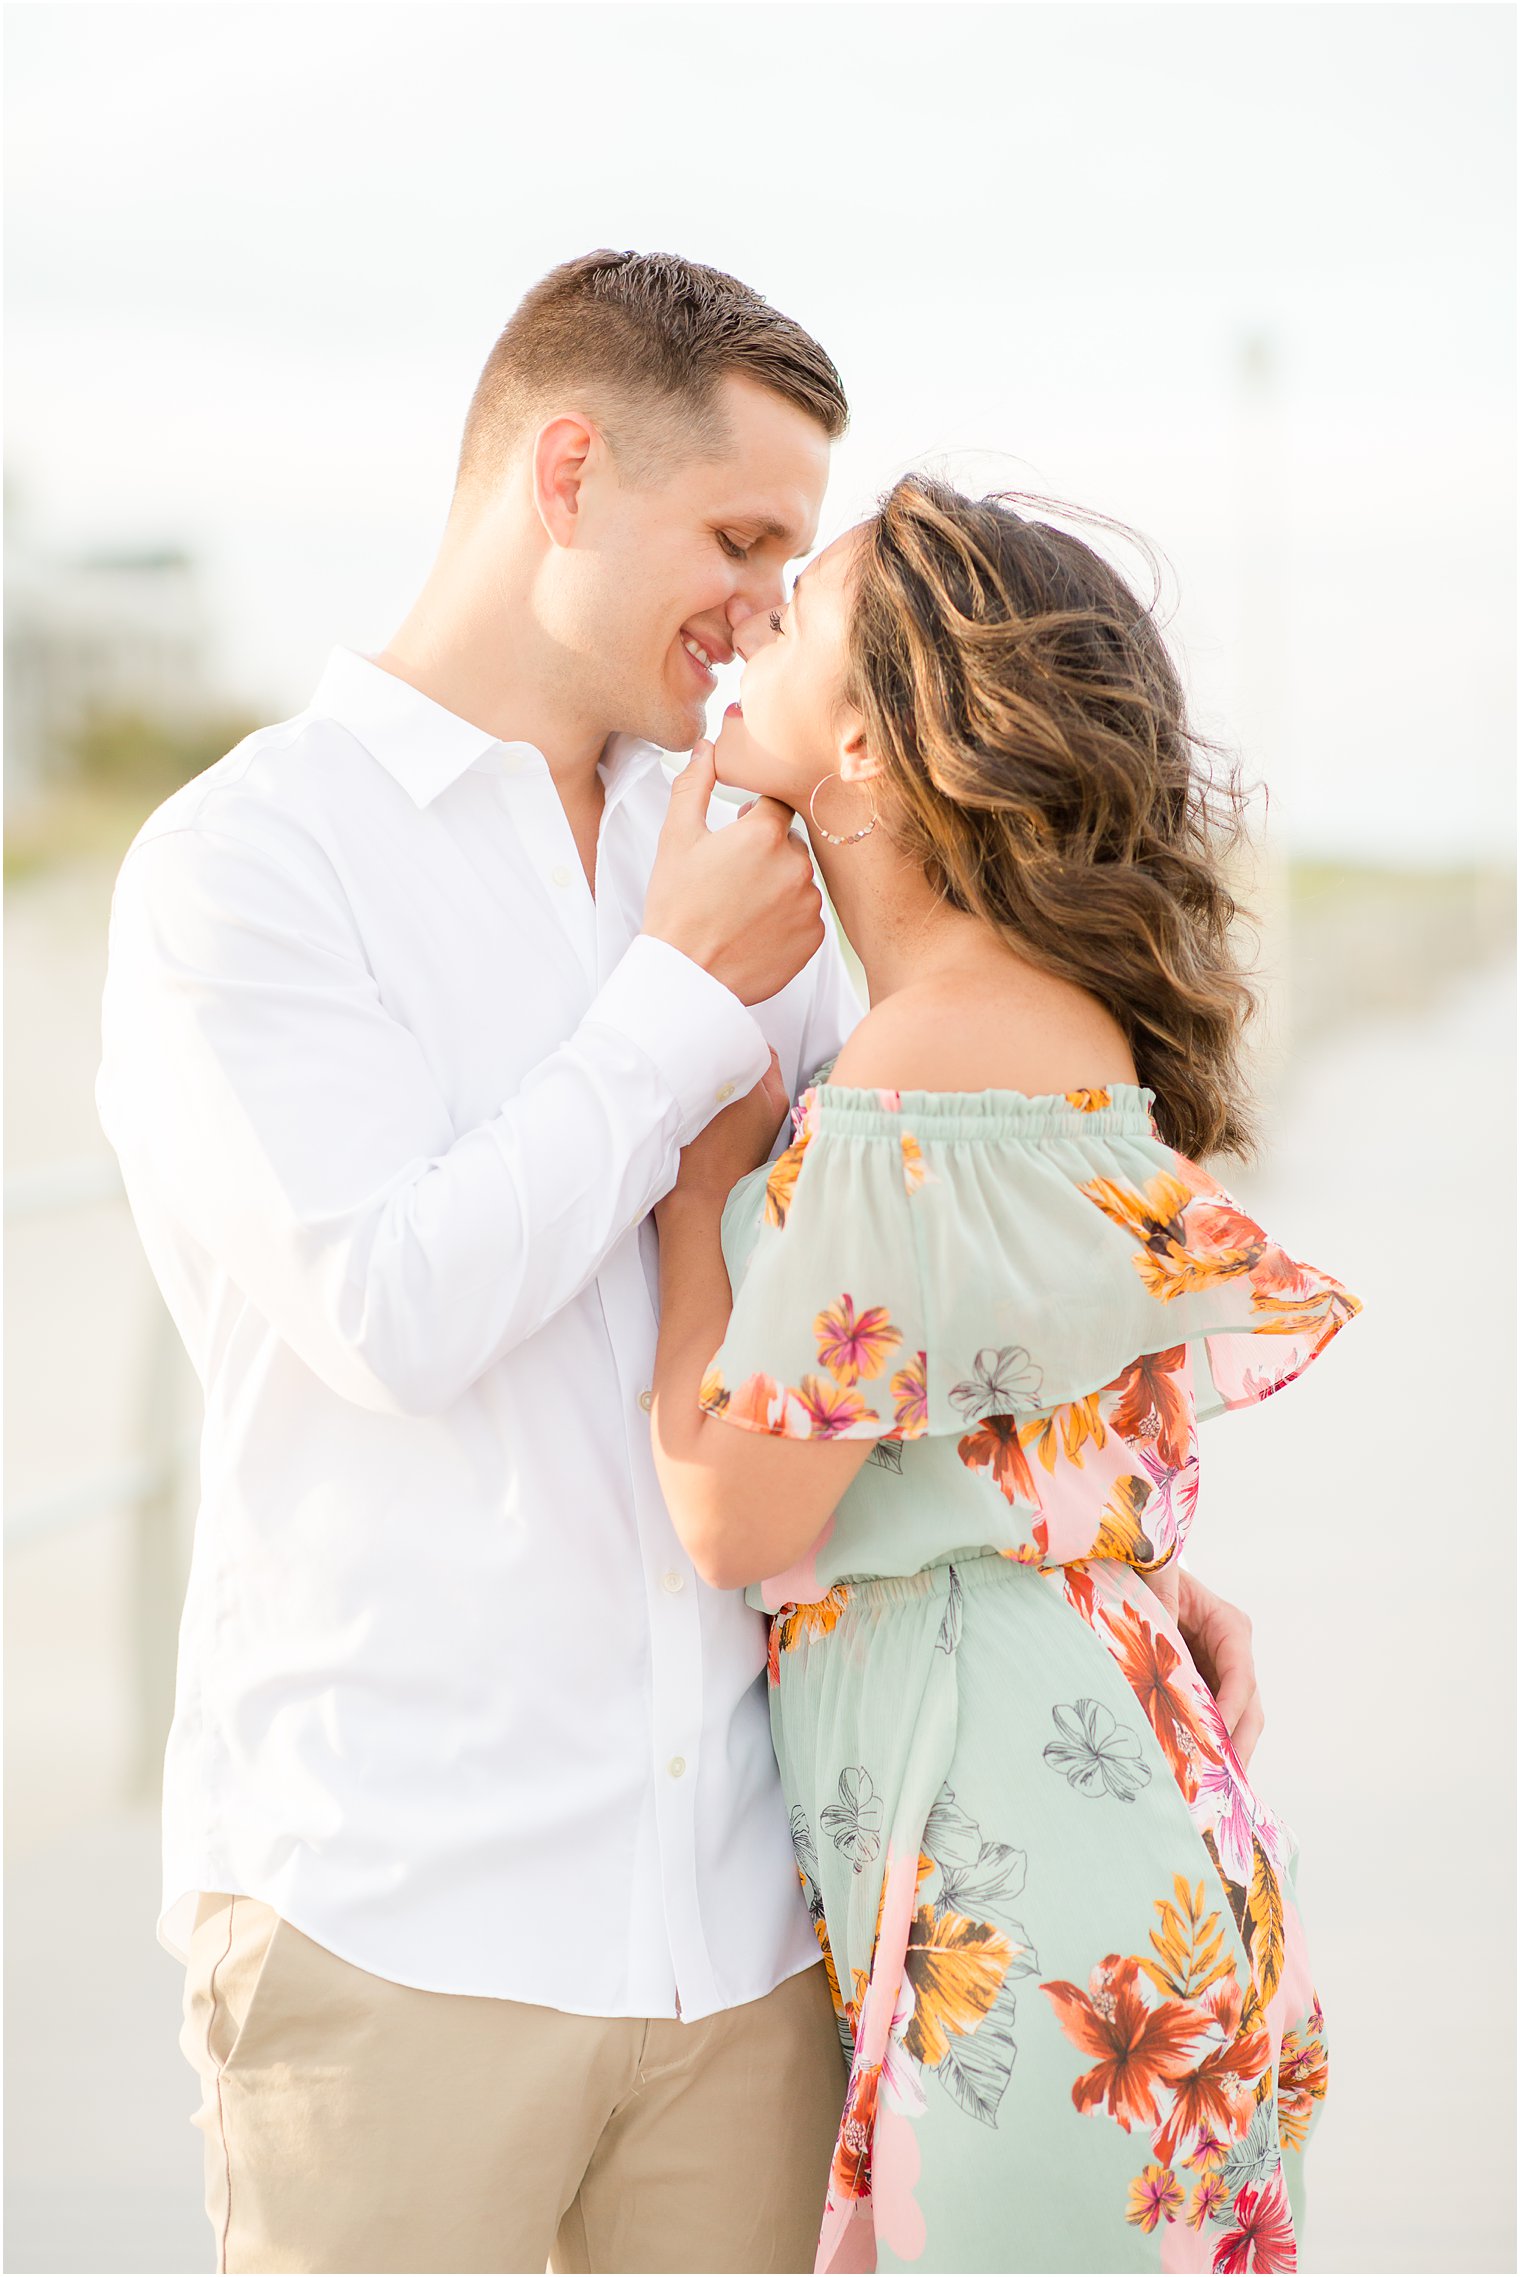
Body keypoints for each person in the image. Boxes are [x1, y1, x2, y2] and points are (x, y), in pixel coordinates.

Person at [97, 249, 1261, 2277]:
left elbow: (866, 1281)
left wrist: (1089, 1566)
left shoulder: (761, 840)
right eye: (736, 536)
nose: (756, 604)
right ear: (564, 470)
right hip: (400, 1922)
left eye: (792, 554)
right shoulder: (251, 862)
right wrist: (663, 1005)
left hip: (755, 1922)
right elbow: (391, 1304)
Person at [651, 477, 1356, 2273]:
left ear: (874, 737)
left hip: (1030, 1878)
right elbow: (1014, 1417)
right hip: (1086, 1816)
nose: (753, 630)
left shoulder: (918, 1070)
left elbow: (733, 1509)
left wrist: (706, 1160)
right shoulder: (1026, 1024)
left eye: (795, 609)